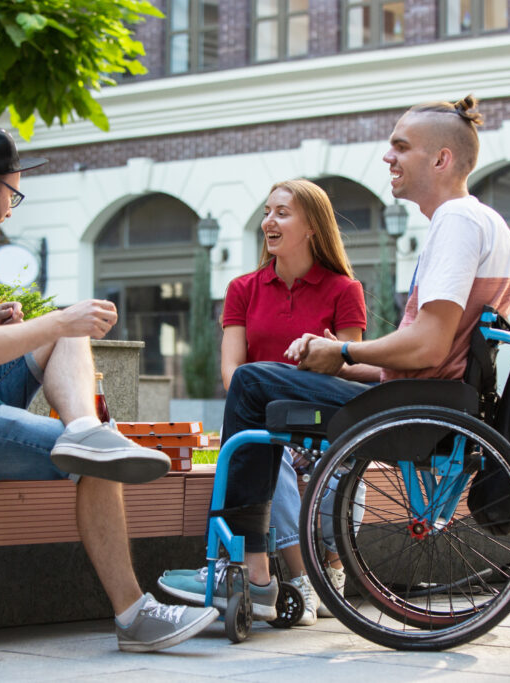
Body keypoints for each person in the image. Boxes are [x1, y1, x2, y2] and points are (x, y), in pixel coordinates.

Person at [0, 126, 217, 653]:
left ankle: (83, 431)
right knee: (100, 451)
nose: (11, 208)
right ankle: (133, 615)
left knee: (70, 358)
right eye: (12, 193)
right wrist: (53, 323)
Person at [161, 95, 510, 612]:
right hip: (434, 398)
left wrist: (344, 351)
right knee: (257, 386)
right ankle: (258, 572)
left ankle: (242, 571)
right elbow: (431, 351)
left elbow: (429, 345)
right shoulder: (488, 223)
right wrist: (339, 356)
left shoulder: (457, 222)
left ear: (441, 159)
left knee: (252, 383)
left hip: (414, 404)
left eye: (401, 146)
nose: (387, 158)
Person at [158, 179, 370, 625]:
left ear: (313, 225)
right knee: (273, 452)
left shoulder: (344, 290)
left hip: (320, 419)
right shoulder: (243, 289)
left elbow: (345, 369)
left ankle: (313, 569)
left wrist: (320, 355)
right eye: (267, 212)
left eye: (282, 213)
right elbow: (232, 372)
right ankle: (300, 578)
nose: (268, 222)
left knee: (305, 458)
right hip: (264, 418)